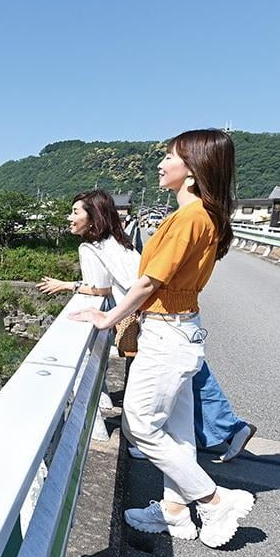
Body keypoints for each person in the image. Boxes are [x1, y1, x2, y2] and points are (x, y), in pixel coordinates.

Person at [70, 129, 255, 549]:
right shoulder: (201, 214)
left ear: (192, 171)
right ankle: (173, 511)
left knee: (140, 424)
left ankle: (213, 500)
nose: (161, 164)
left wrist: (108, 318)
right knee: (177, 428)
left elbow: (147, 283)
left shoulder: (189, 217)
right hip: (181, 329)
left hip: (166, 333)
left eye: (169, 157)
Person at [38, 190, 257, 462]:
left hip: (150, 317)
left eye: (75, 212)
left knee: (164, 386)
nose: (69, 218)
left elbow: (100, 289)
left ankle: (176, 445)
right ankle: (228, 429)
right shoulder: (119, 241)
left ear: (93, 219)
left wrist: (66, 285)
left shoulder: (90, 247)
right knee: (191, 379)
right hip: (168, 313)